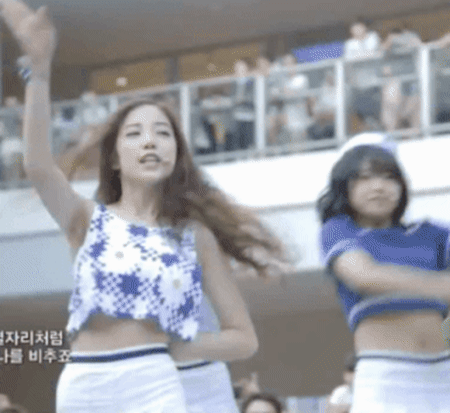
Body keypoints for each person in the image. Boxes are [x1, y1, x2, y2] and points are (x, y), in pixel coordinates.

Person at [0, 1, 293, 412]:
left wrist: (177, 347)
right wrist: (39, 70)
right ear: (115, 158)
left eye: (163, 133)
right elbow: (37, 165)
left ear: (177, 155)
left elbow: (243, 338)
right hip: (84, 384)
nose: (151, 141)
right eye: (135, 133)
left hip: (154, 382)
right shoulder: (87, 218)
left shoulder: (193, 235)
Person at [317, 133, 450, 412]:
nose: (378, 186)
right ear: (344, 185)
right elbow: (363, 275)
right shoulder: (338, 230)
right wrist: (440, 285)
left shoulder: (432, 233)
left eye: (389, 177)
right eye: (364, 178)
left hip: (444, 376)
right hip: (384, 380)